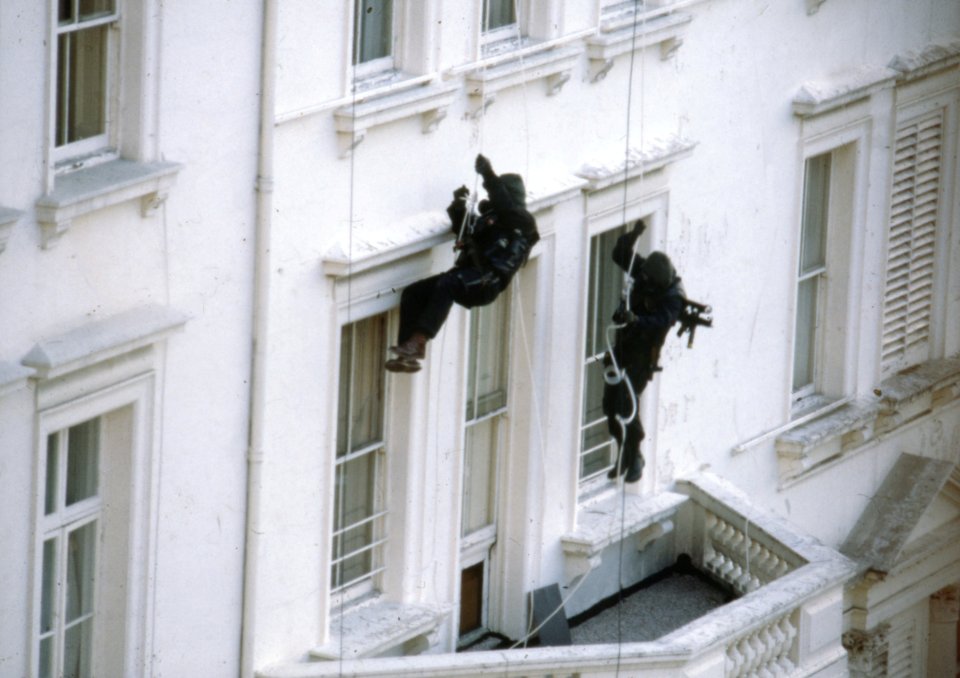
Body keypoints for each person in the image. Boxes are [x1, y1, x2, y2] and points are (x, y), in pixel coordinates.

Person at [386, 154, 539, 373]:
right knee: (414, 293)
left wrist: (487, 174)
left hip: (487, 282)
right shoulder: (492, 221)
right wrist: (459, 206)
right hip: (470, 276)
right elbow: (465, 231)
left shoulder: (522, 222)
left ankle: (419, 341)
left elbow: (506, 206)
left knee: (449, 282)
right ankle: (407, 351)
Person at [602, 219, 684, 482]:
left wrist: (636, 319)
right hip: (623, 348)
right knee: (609, 406)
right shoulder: (648, 272)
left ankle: (635, 455)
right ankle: (623, 454)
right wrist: (634, 234)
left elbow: (663, 320)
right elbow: (620, 255)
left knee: (626, 404)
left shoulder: (673, 296)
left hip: (641, 357)